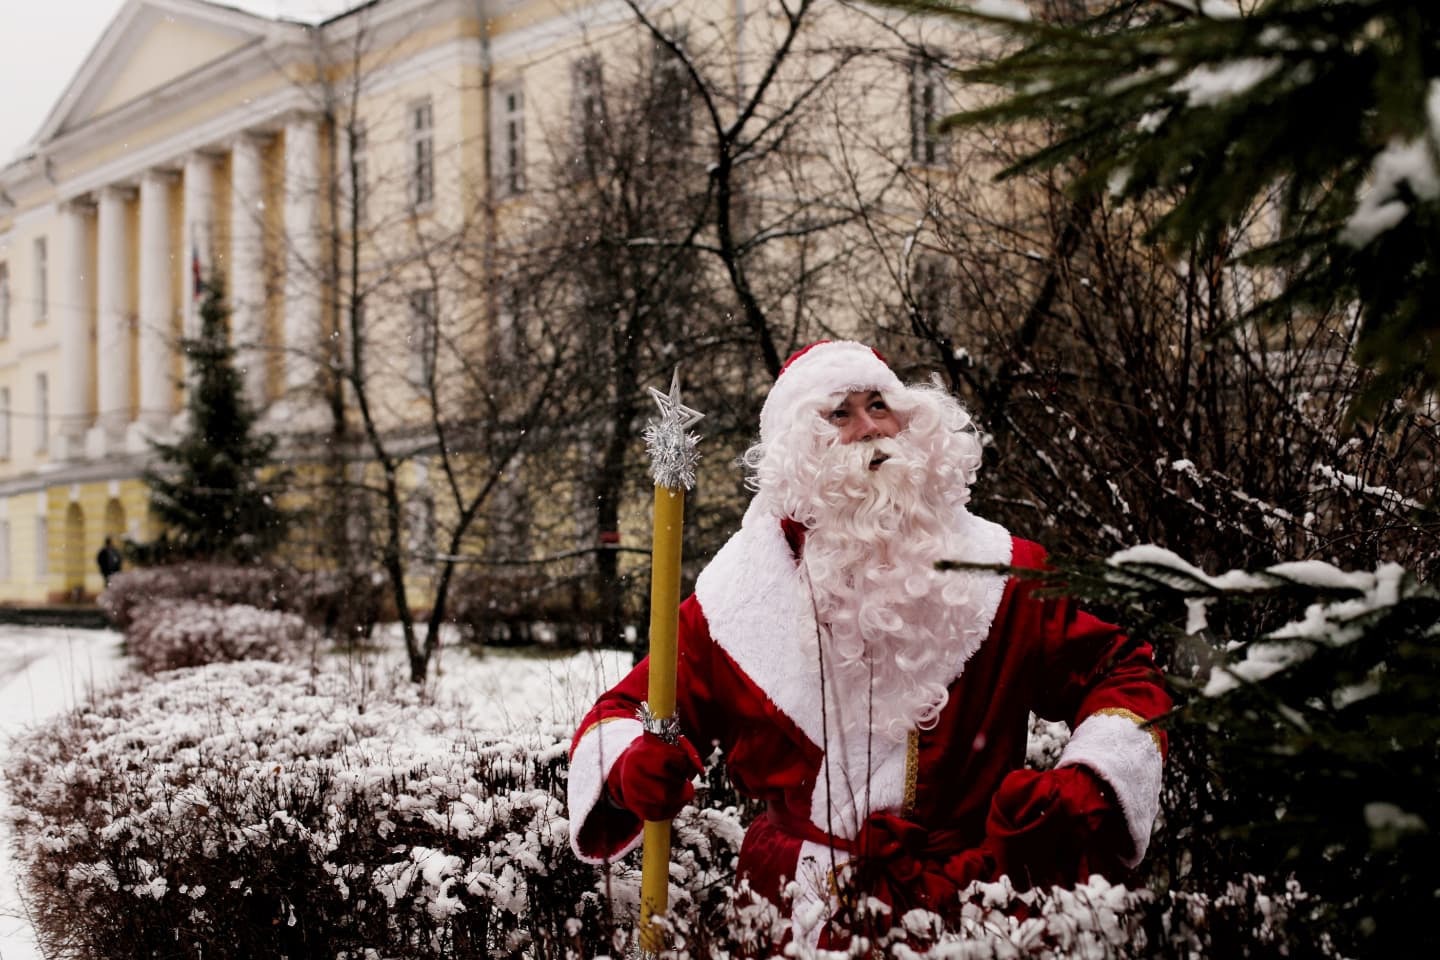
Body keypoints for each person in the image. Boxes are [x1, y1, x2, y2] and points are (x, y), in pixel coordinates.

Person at [567, 341, 1170, 947]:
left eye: (880, 404)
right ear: (798, 451)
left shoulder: (1003, 573)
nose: (869, 428)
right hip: (792, 915)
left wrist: (1090, 778)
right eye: (840, 413)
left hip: (973, 903)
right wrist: (625, 769)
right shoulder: (733, 604)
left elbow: (1121, 672)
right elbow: (620, 713)